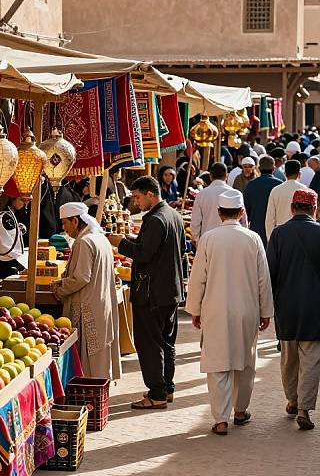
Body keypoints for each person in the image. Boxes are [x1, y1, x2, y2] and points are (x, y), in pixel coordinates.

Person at [186, 190, 273, 435]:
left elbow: (198, 279)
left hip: (215, 309)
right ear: (242, 212)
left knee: (218, 364)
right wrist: (266, 310)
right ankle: (241, 411)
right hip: (247, 310)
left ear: (219, 213)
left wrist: (195, 308)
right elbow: (263, 280)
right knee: (245, 362)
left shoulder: (209, 239)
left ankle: (221, 419)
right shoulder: (253, 238)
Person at [107, 176, 185, 409]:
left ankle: (157, 393)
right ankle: (167, 387)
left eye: (138, 197)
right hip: (170, 290)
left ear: (151, 194)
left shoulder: (156, 219)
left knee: (149, 344)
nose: (136, 202)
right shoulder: (172, 215)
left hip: (153, 293)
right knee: (165, 341)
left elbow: (144, 253)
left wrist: (120, 242)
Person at [267, 189, 320, 430]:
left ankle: (292, 399)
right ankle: (303, 409)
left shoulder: (279, 234)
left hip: (286, 307)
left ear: (292, 208)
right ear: (314, 209)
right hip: (315, 309)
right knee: (311, 361)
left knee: (289, 359)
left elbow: (270, 273)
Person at [51, 202, 121, 380]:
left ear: (75, 221)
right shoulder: (99, 238)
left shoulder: (84, 242)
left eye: (65, 223)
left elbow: (81, 278)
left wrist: (59, 288)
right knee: (98, 359)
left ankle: (90, 399)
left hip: (89, 306)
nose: (64, 228)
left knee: (89, 361)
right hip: (101, 305)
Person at [191, 162, 243, 242]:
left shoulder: (202, 194)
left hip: (208, 240)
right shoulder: (236, 194)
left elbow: (195, 222)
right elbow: (243, 221)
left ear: (210, 176)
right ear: (226, 175)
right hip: (231, 240)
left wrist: (198, 241)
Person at [243, 155, 282, 246]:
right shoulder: (280, 185)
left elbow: (246, 210)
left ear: (259, 168)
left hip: (256, 228)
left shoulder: (251, 185)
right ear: (273, 168)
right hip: (276, 229)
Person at [265, 160, 306, 241]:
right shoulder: (305, 190)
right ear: (299, 174)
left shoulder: (276, 190)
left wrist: (270, 239)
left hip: (281, 235)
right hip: (301, 235)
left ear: (285, 174)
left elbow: (270, 219)